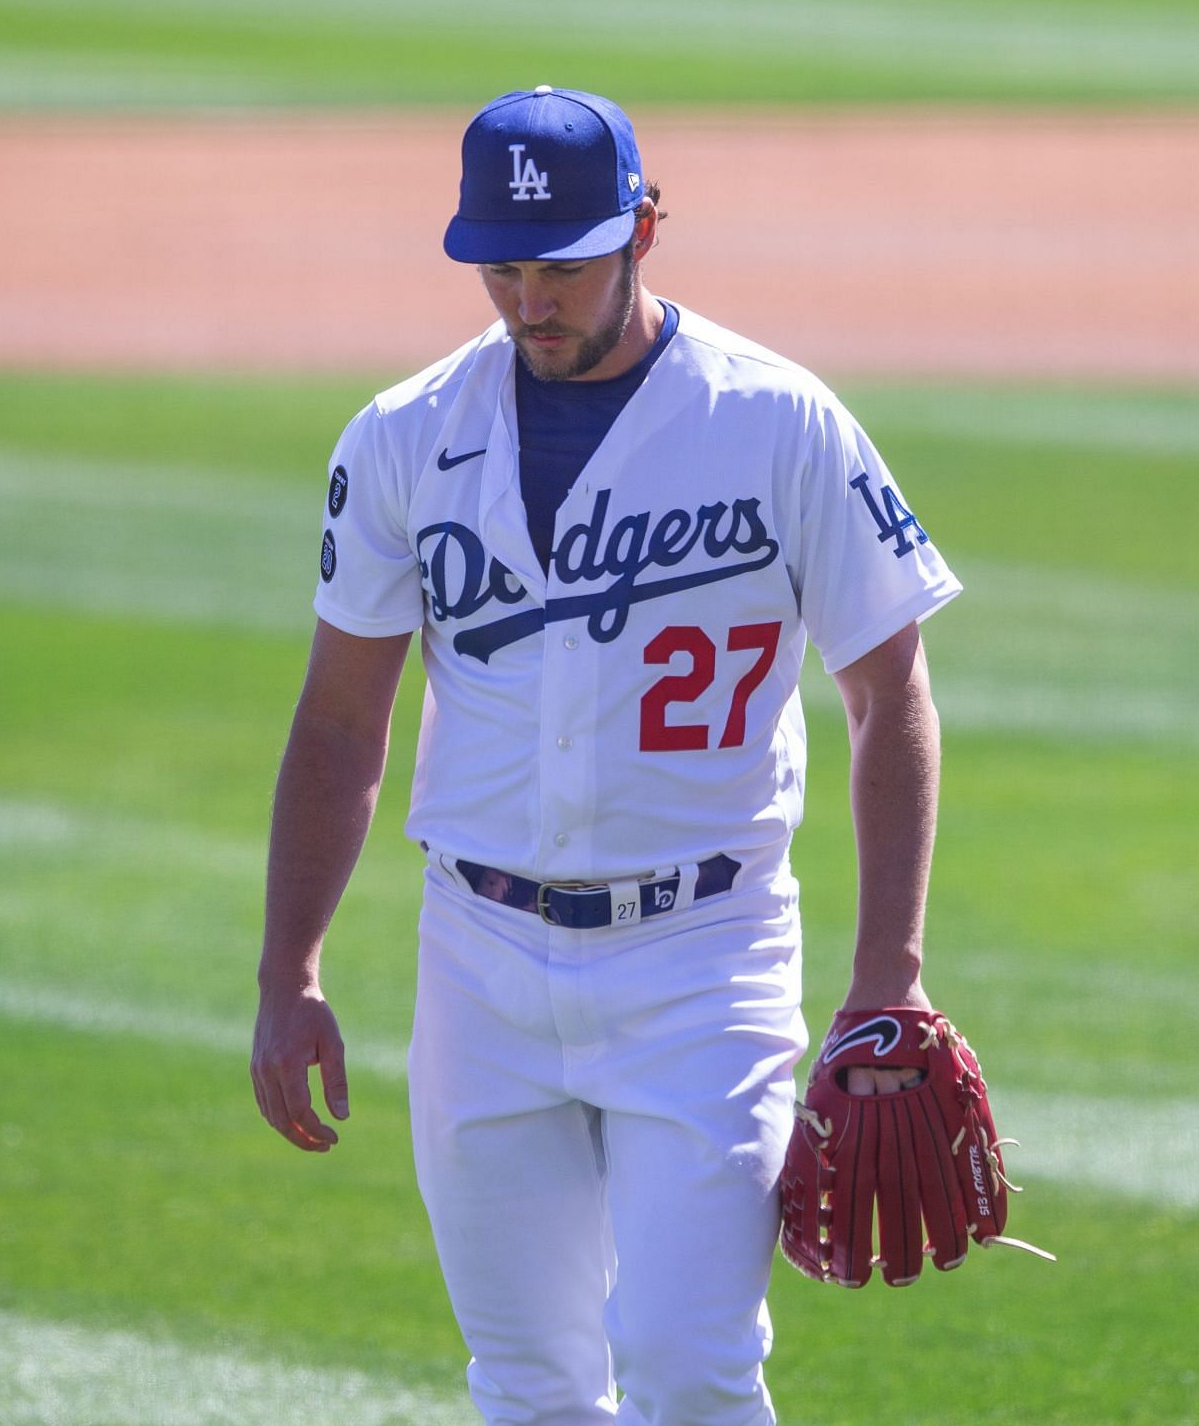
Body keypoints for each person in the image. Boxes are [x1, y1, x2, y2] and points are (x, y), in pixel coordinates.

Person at [250, 85, 960, 1425]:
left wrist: (890, 977)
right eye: (502, 267)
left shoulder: (778, 421)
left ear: (644, 225)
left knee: (693, 1366)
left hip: (706, 955)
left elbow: (890, 699)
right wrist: (290, 971)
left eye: (563, 262)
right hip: (483, 955)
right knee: (529, 1383)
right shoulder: (402, 438)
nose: (531, 299)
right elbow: (341, 721)